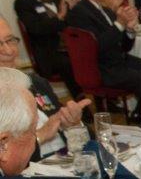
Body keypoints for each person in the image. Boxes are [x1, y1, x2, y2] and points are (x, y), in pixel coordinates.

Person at [66, 0, 141, 120]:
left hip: (118, 61)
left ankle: (140, 113)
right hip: (102, 69)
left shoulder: (106, 11)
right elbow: (96, 47)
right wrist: (119, 24)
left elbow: (124, 47)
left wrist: (129, 30)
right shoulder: (79, 13)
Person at [0, 22, 89, 160]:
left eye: (10, 40)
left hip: (68, 160)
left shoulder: (36, 83)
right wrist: (41, 135)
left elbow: (86, 142)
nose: (9, 51)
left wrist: (73, 124)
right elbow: (5, 160)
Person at [13, 0, 82, 98]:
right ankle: (81, 102)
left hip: (69, 48)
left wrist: (74, 11)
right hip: (49, 53)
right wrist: (60, 16)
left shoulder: (58, 1)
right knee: (68, 62)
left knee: (94, 53)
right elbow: (37, 29)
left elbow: (73, 27)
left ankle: (105, 100)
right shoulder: (23, 3)